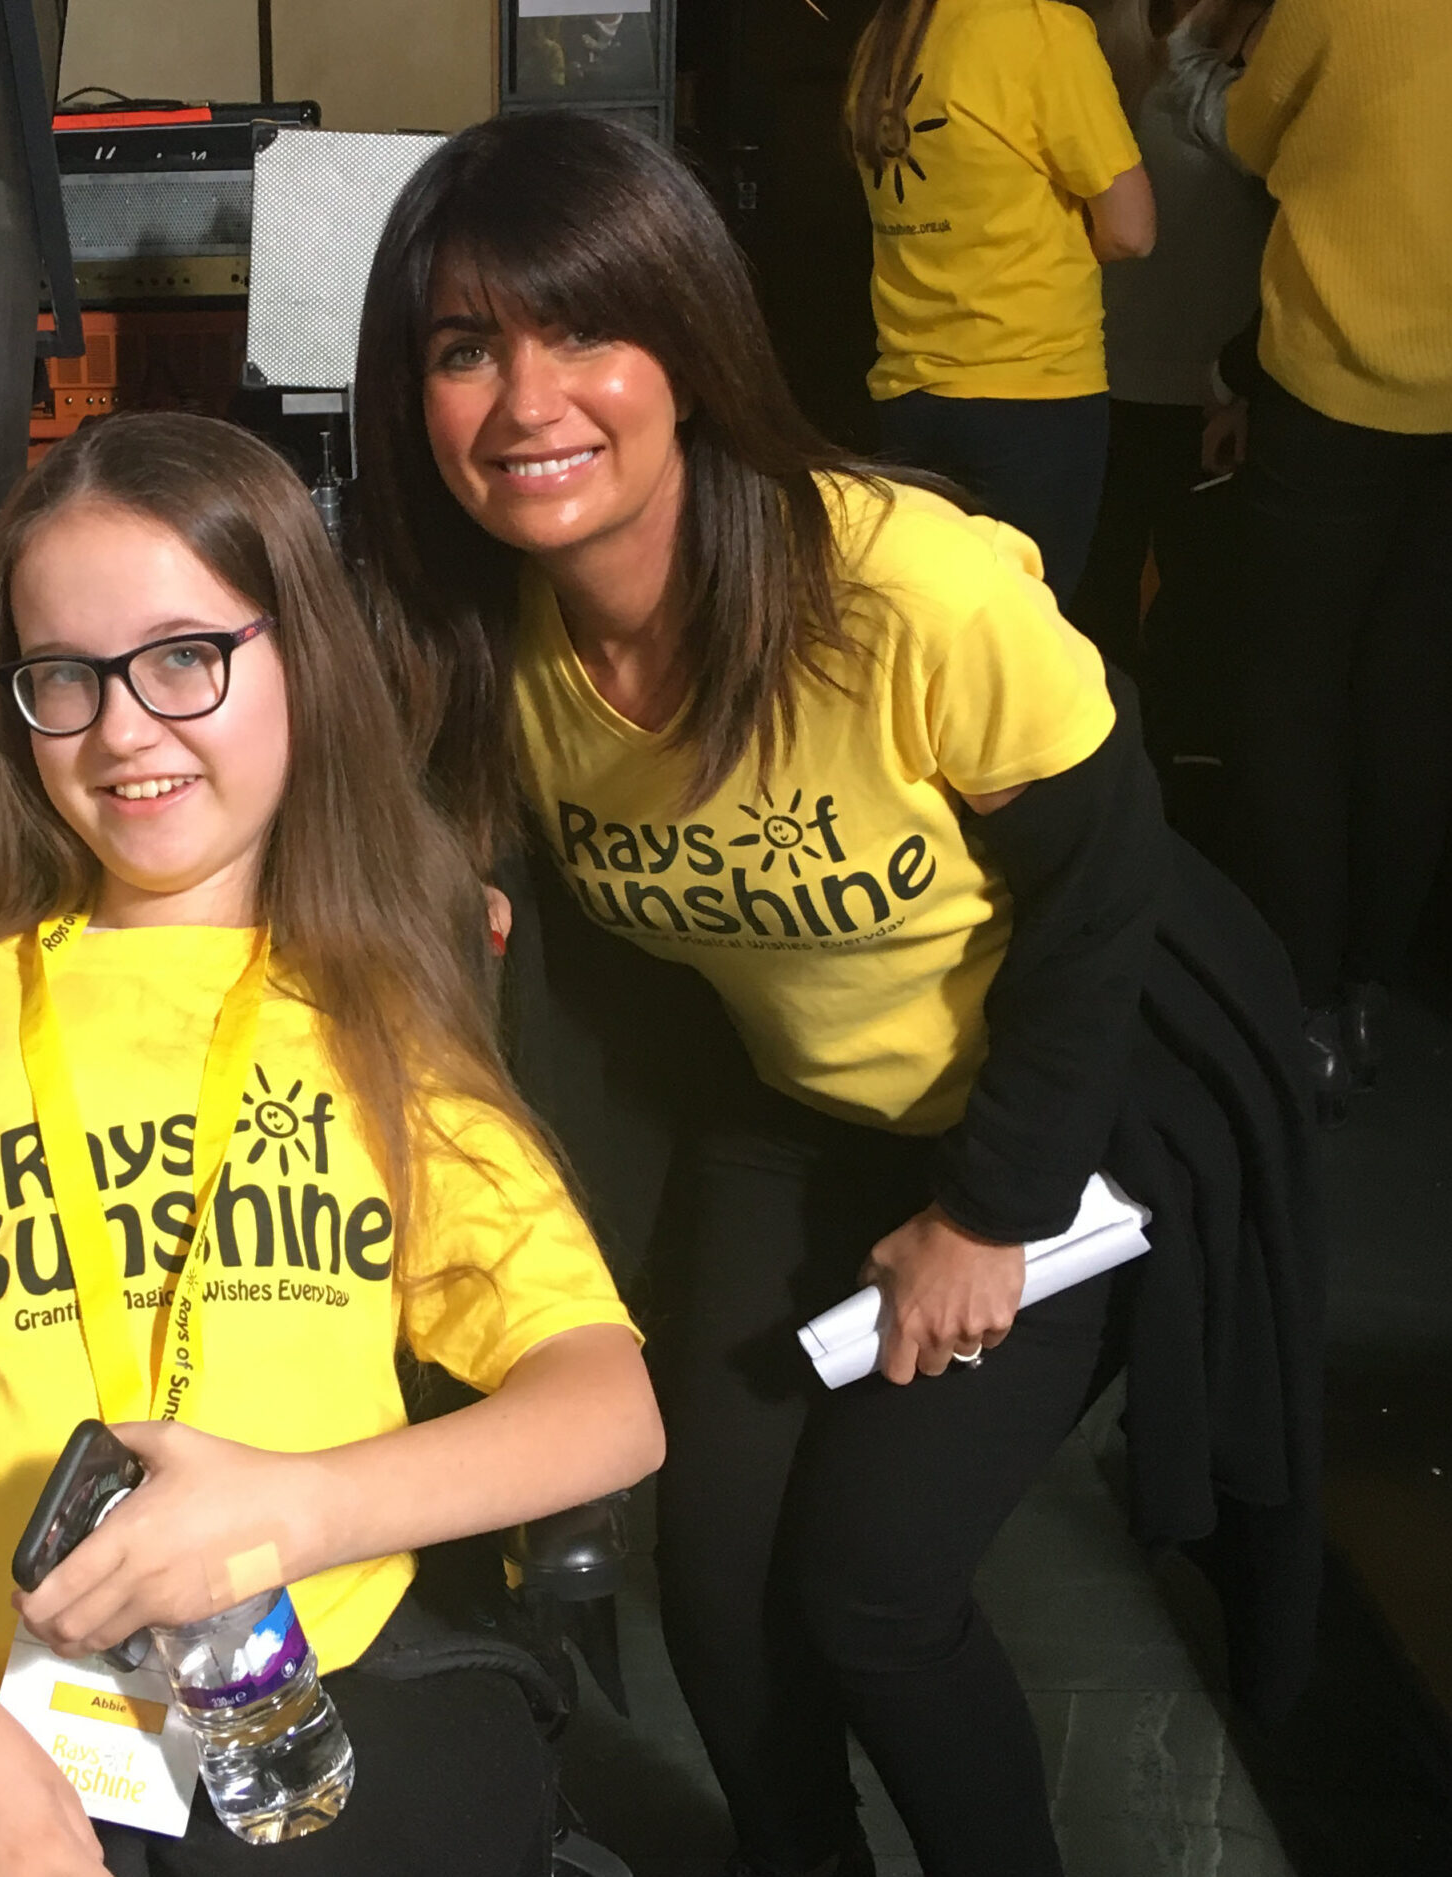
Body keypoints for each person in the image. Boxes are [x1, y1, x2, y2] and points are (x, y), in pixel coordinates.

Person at [353, 113, 1320, 1877]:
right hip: (786, 1118)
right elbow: (211, 698)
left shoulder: (899, 588)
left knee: (867, 1595)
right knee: (713, 1602)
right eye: (461, 346)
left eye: (585, 330)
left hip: (1057, 1111)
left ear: (692, 349)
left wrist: (989, 1211)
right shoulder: (474, 638)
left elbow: (1105, 893)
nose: (525, 399)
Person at [0, 412, 662, 1877]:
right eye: (63, 680)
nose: (121, 730)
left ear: (298, 662)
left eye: (183, 658)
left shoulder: (376, 1019)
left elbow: (607, 1404)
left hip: (291, 1662)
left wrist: (296, 1506)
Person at [1209, 0, 1452, 1116]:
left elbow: (1245, 138)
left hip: (1331, 394)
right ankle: (1373, 978)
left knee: (1291, 691)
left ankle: (1307, 1000)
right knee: (1416, 688)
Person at [847, 0, 1156, 609]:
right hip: (1032, 394)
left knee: (936, 636)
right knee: (1027, 649)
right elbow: (1131, 228)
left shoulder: (885, 37)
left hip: (910, 393)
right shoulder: (1038, 30)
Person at [1068, 0, 1270, 764]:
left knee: (1197, 616)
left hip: (1213, 388)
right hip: (1096, 374)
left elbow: (1262, 158)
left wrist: (1248, 385)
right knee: (1093, 607)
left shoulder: (1263, 50)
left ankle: (1185, 797)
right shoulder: (1087, 42)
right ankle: (1105, 785)